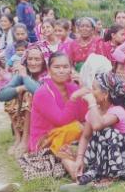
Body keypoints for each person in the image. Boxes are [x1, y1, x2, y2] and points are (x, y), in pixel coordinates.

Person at [67, 71, 125, 188]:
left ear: (106, 94)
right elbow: (85, 136)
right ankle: (98, 171)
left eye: (94, 89)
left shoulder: (117, 110)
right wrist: (80, 158)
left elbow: (98, 125)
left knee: (107, 132)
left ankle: (110, 176)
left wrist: (91, 102)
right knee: (96, 137)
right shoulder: (93, 112)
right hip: (108, 154)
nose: (91, 92)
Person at [18, 52, 86, 180]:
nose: (61, 71)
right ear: (49, 70)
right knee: (77, 128)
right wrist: (74, 98)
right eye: (57, 67)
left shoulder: (72, 87)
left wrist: (80, 87)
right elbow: (60, 120)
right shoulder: (42, 93)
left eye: (65, 67)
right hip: (45, 139)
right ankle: (77, 174)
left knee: (84, 127)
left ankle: (77, 168)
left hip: (67, 134)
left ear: (71, 69)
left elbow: (83, 115)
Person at [0, 44, 46, 155]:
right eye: (30, 59)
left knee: (29, 94)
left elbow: (39, 92)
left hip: (43, 120)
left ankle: (26, 139)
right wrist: (20, 87)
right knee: (11, 96)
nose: (33, 63)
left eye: (37, 59)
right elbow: (1, 95)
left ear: (43, 61)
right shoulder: (24, 73)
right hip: (25, 119)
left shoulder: (46, 74)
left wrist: (25, 77)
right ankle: (18, 138)